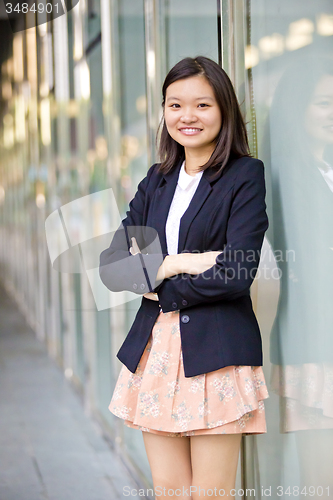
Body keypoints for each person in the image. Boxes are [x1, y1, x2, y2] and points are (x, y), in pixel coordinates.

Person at [99, 56, 269, 499]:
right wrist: (175, 264)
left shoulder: (244, 176)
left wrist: (158, 286)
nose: (187, 117)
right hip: (153, 352)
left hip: (215, 351)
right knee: (169, 491)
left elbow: (236, 272)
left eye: (202, 105)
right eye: (175, 105)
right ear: (164, 112)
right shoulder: (156, 181)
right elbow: (113, 267)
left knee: (211, 494)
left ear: (224, 110)